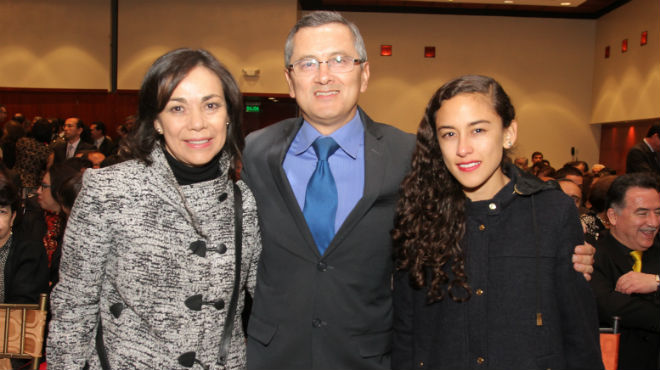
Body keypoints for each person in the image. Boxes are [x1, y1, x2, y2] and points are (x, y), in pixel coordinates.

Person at [243, 11, 595, 370]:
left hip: (366, 358)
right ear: (289, 80)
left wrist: (551, 226)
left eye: (339, 59)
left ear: (364, 73)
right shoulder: (257, 150)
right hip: (272, 356)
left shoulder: (408, 155)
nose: (324, 75)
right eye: (307, 63)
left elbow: (483, 178)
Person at [48, 48, 261, 370]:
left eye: (211, 105)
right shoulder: (108, 191)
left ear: (229, 114)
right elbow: (74, 306)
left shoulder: (244, 200)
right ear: (157, 121)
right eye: (177, 108)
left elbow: (273, 296)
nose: (198, 123)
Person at [391, 75, 603, 370]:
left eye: (478, 130)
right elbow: (406, 328)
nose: (463, 148)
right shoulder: (421, 215)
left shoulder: (552, 212)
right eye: (449, 134)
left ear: (508, 133)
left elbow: (579, 331)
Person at [590, 173, 660, 370]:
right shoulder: (592, 253)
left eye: (658, 212)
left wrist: (656, 281)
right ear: (613, 216)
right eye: (642, 213)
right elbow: (609, 307)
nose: (653, 223)